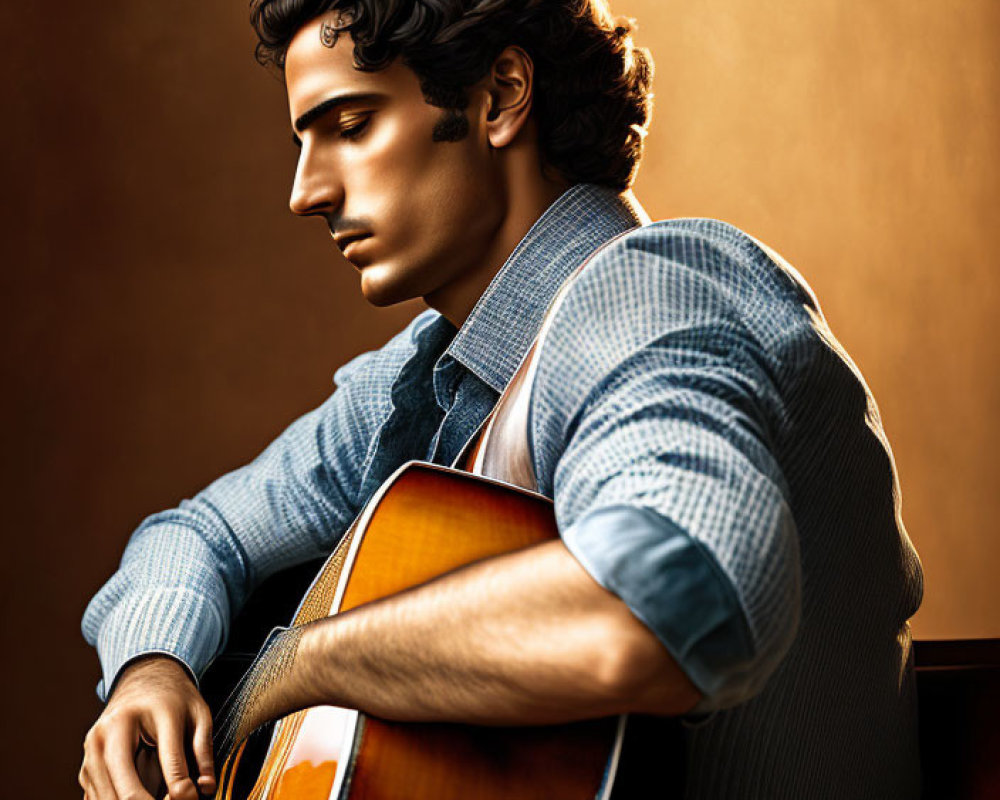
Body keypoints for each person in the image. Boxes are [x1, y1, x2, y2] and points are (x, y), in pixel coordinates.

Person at [78, 1, 924, 799]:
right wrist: (154, 667)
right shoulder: (426, 372)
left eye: (351, 126)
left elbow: (659, 609)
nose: (306, 191)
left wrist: (301, 666)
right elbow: (198, 532)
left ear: (500, 97)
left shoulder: (655, 293)